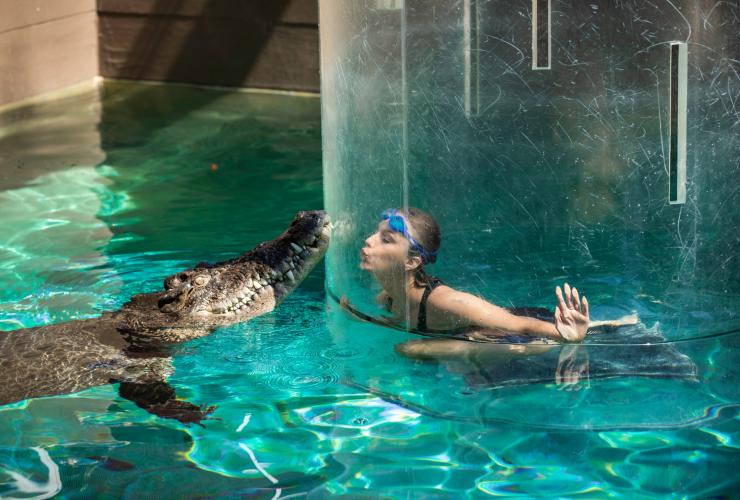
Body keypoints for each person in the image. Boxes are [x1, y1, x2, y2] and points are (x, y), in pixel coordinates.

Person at [344, 207, 636, 346]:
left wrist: (565, 336)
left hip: (510, 334)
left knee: (414, 350)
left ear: (412, 261)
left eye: (386, 239)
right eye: (375, 233)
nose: (369, 241)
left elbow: (518, 325)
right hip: (478, 333)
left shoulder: (448, 302)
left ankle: (615, 327)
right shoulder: (387, 295)